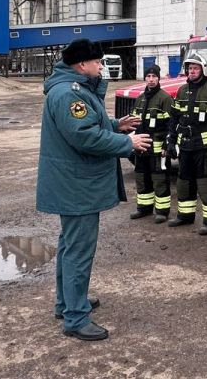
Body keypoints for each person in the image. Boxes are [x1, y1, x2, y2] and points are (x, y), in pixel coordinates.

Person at [36, 39, 151, 341]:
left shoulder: (74, 89)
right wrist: (127, 142)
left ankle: (67, 303)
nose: (101, 67)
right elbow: (84, 136)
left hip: (74, 184)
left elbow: (88, 122)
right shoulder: (67, 93)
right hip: (77, 187)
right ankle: (75, 318)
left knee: (69, 246)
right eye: (98, 62)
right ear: (82, 64)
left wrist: (115, 124)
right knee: (78, 251)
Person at [164, 52, 207, 234]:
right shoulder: (182, 90)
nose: (192, 71)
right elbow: (174, 118)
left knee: (206, 184)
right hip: (185, 146)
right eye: (190, 68)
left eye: (195, 68)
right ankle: (185, 216)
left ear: (203, 70)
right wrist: (171, 140)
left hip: (204, 148)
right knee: (184, 182)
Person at [130, 64, 174, 223]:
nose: (151, 79)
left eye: (154, 76)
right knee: (142, 177)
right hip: (142, 148)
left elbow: (172, 124)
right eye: (148, 76)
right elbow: (134, 122)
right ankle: (144, 208)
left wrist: (167, 145)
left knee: (159, 179)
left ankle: (162, 211)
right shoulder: (140, 98)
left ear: (158, 78)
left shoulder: (165, 98)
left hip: (158, 149)